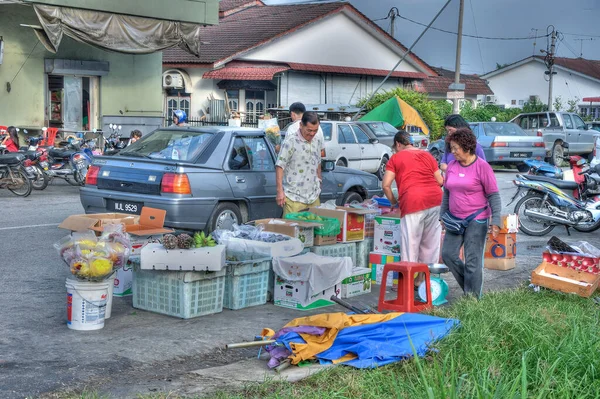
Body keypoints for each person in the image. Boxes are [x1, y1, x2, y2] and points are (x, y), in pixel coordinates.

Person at [440, 127, 501, 298]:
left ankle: (472, 300)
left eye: (455, 148)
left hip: (477, 219)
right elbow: (447, 192)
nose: (453, 152)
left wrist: (496, 220)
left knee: (472, 262)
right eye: (451, 148)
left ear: (467, 147)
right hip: (454, 219)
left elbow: (493, 195)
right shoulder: (451, 166)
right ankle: (469, 288)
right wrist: (442, 214)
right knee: (448, 255)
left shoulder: (482, 167)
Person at [382, 130, 444, 286]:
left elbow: (386, 185)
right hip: (436, 200)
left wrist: (394, 202)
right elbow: (440, 181)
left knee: (411, 245)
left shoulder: (396, 157)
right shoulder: (428, 155)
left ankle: (407, 286)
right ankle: (425, 284)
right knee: (430, 245)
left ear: (398, 144)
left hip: (413, 201)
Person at [276, 111, 324, 215]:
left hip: (313, 196)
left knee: (315, 229)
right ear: (301, 125)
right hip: (293, 197)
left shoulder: (317, 140)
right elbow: (280, 166)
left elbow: (318, 162)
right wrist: (280, 191)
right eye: (309, 130)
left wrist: (319, 180)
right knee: (293, 230)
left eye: (315, 131)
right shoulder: (290, 141)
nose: (312, 134)